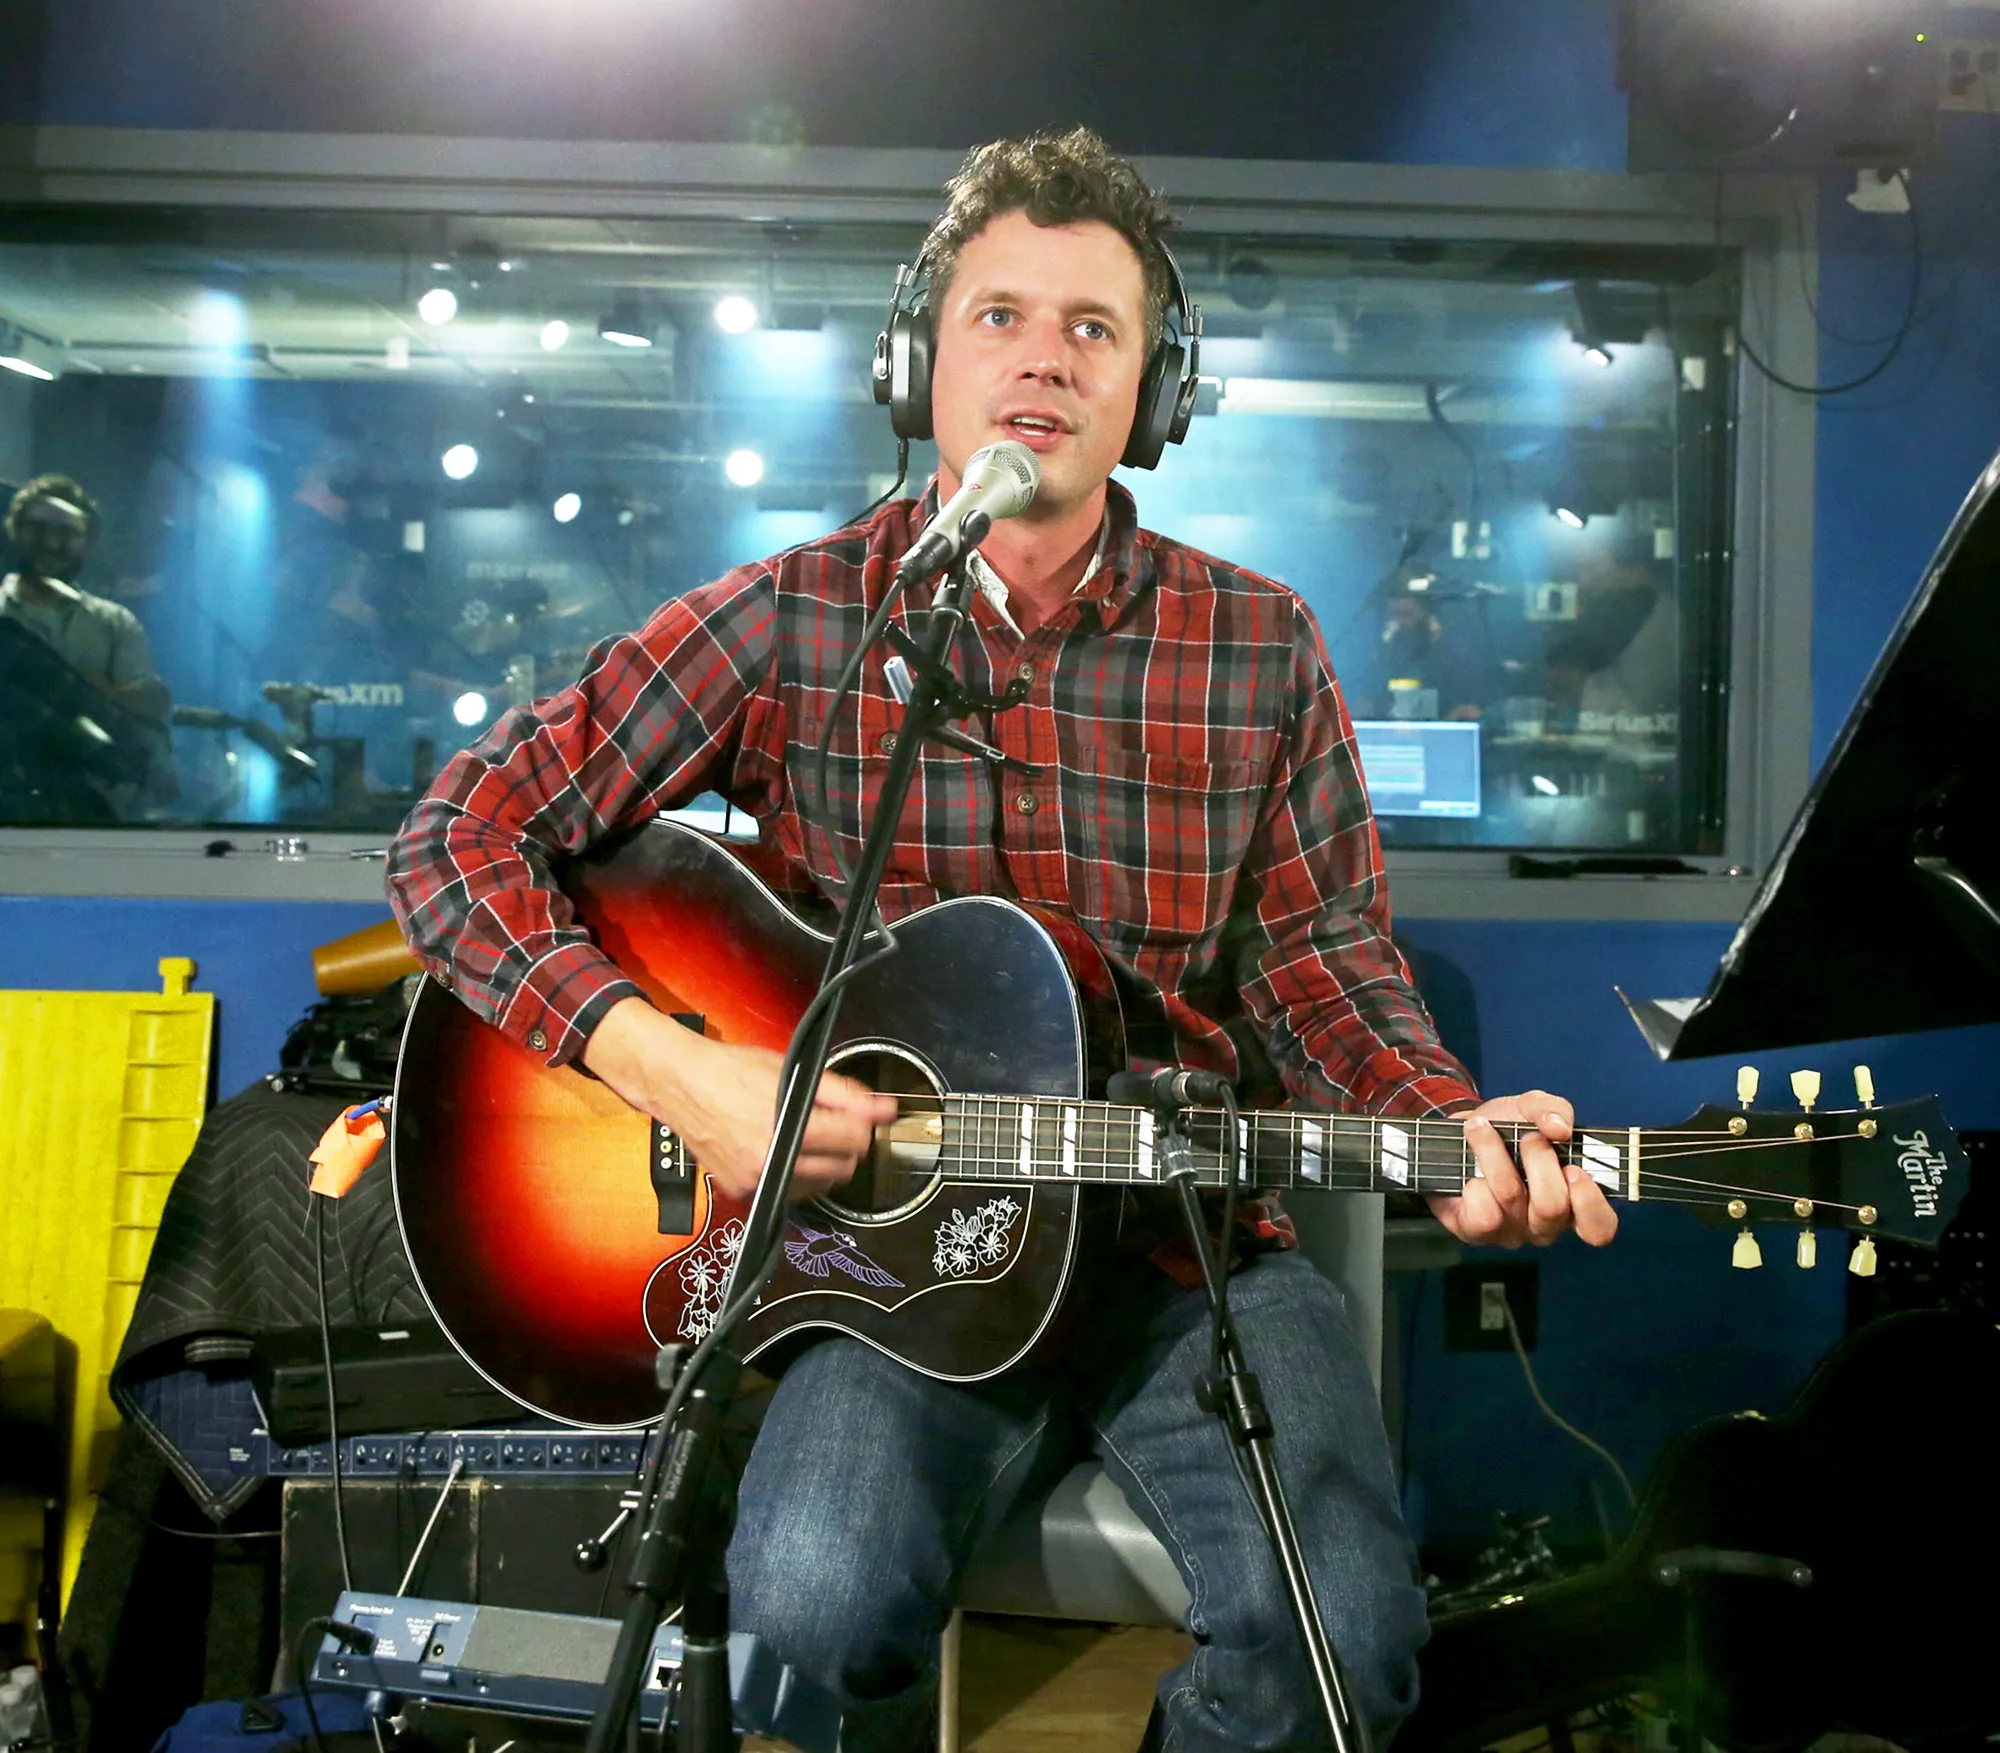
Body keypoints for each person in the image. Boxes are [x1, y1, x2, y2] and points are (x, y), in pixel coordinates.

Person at [387, 128, 1618, 1753]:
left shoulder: (1258, 644)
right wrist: (672, 1063)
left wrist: (1438, 1120)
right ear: (920, 359)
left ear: (1152, 393)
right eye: (1000, 316)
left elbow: (1323, 956)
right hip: (895, 1265)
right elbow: (456, 835)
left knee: (1342, 1650)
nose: (1045, 355)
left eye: (1094, 327)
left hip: (1187, 1255)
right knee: (812, 1596)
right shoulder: (796, 616)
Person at [0, 474, 173, 814]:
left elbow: (155, 702)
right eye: (37, 527)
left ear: (89, 545)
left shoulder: (114, 622)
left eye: (67, 532)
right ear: (14, 532)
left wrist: (88, 689)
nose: (51, 543)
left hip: (91, 815)